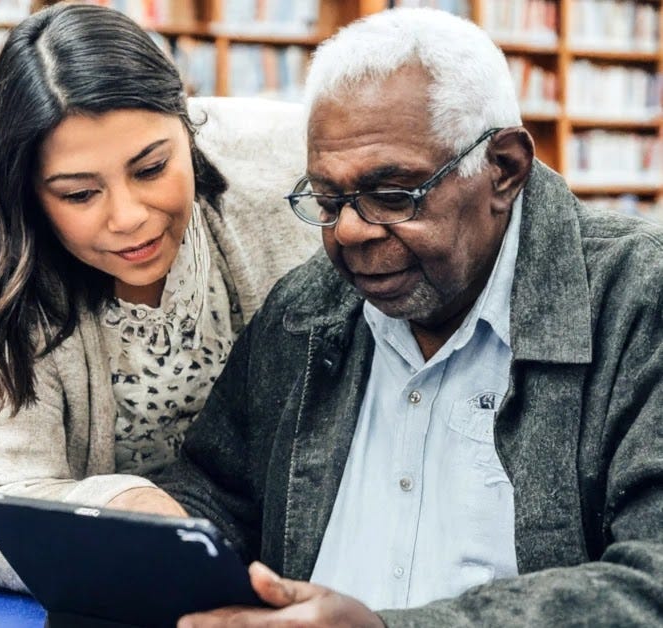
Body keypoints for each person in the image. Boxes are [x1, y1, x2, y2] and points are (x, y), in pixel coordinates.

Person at [150, 8, 663, 627]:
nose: (350, 230)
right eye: (327, 198)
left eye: (393, 195)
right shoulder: (306, 308)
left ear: (502, 169)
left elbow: (650, 580)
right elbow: (214, 489)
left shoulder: (638, 301)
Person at [0, 3, 317, 591]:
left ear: (186, 124)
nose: (129, 218)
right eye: (81, 194)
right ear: (31, 194)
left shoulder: (288, 157)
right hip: (119, 581)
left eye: (152, 167)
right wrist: (129, 512)